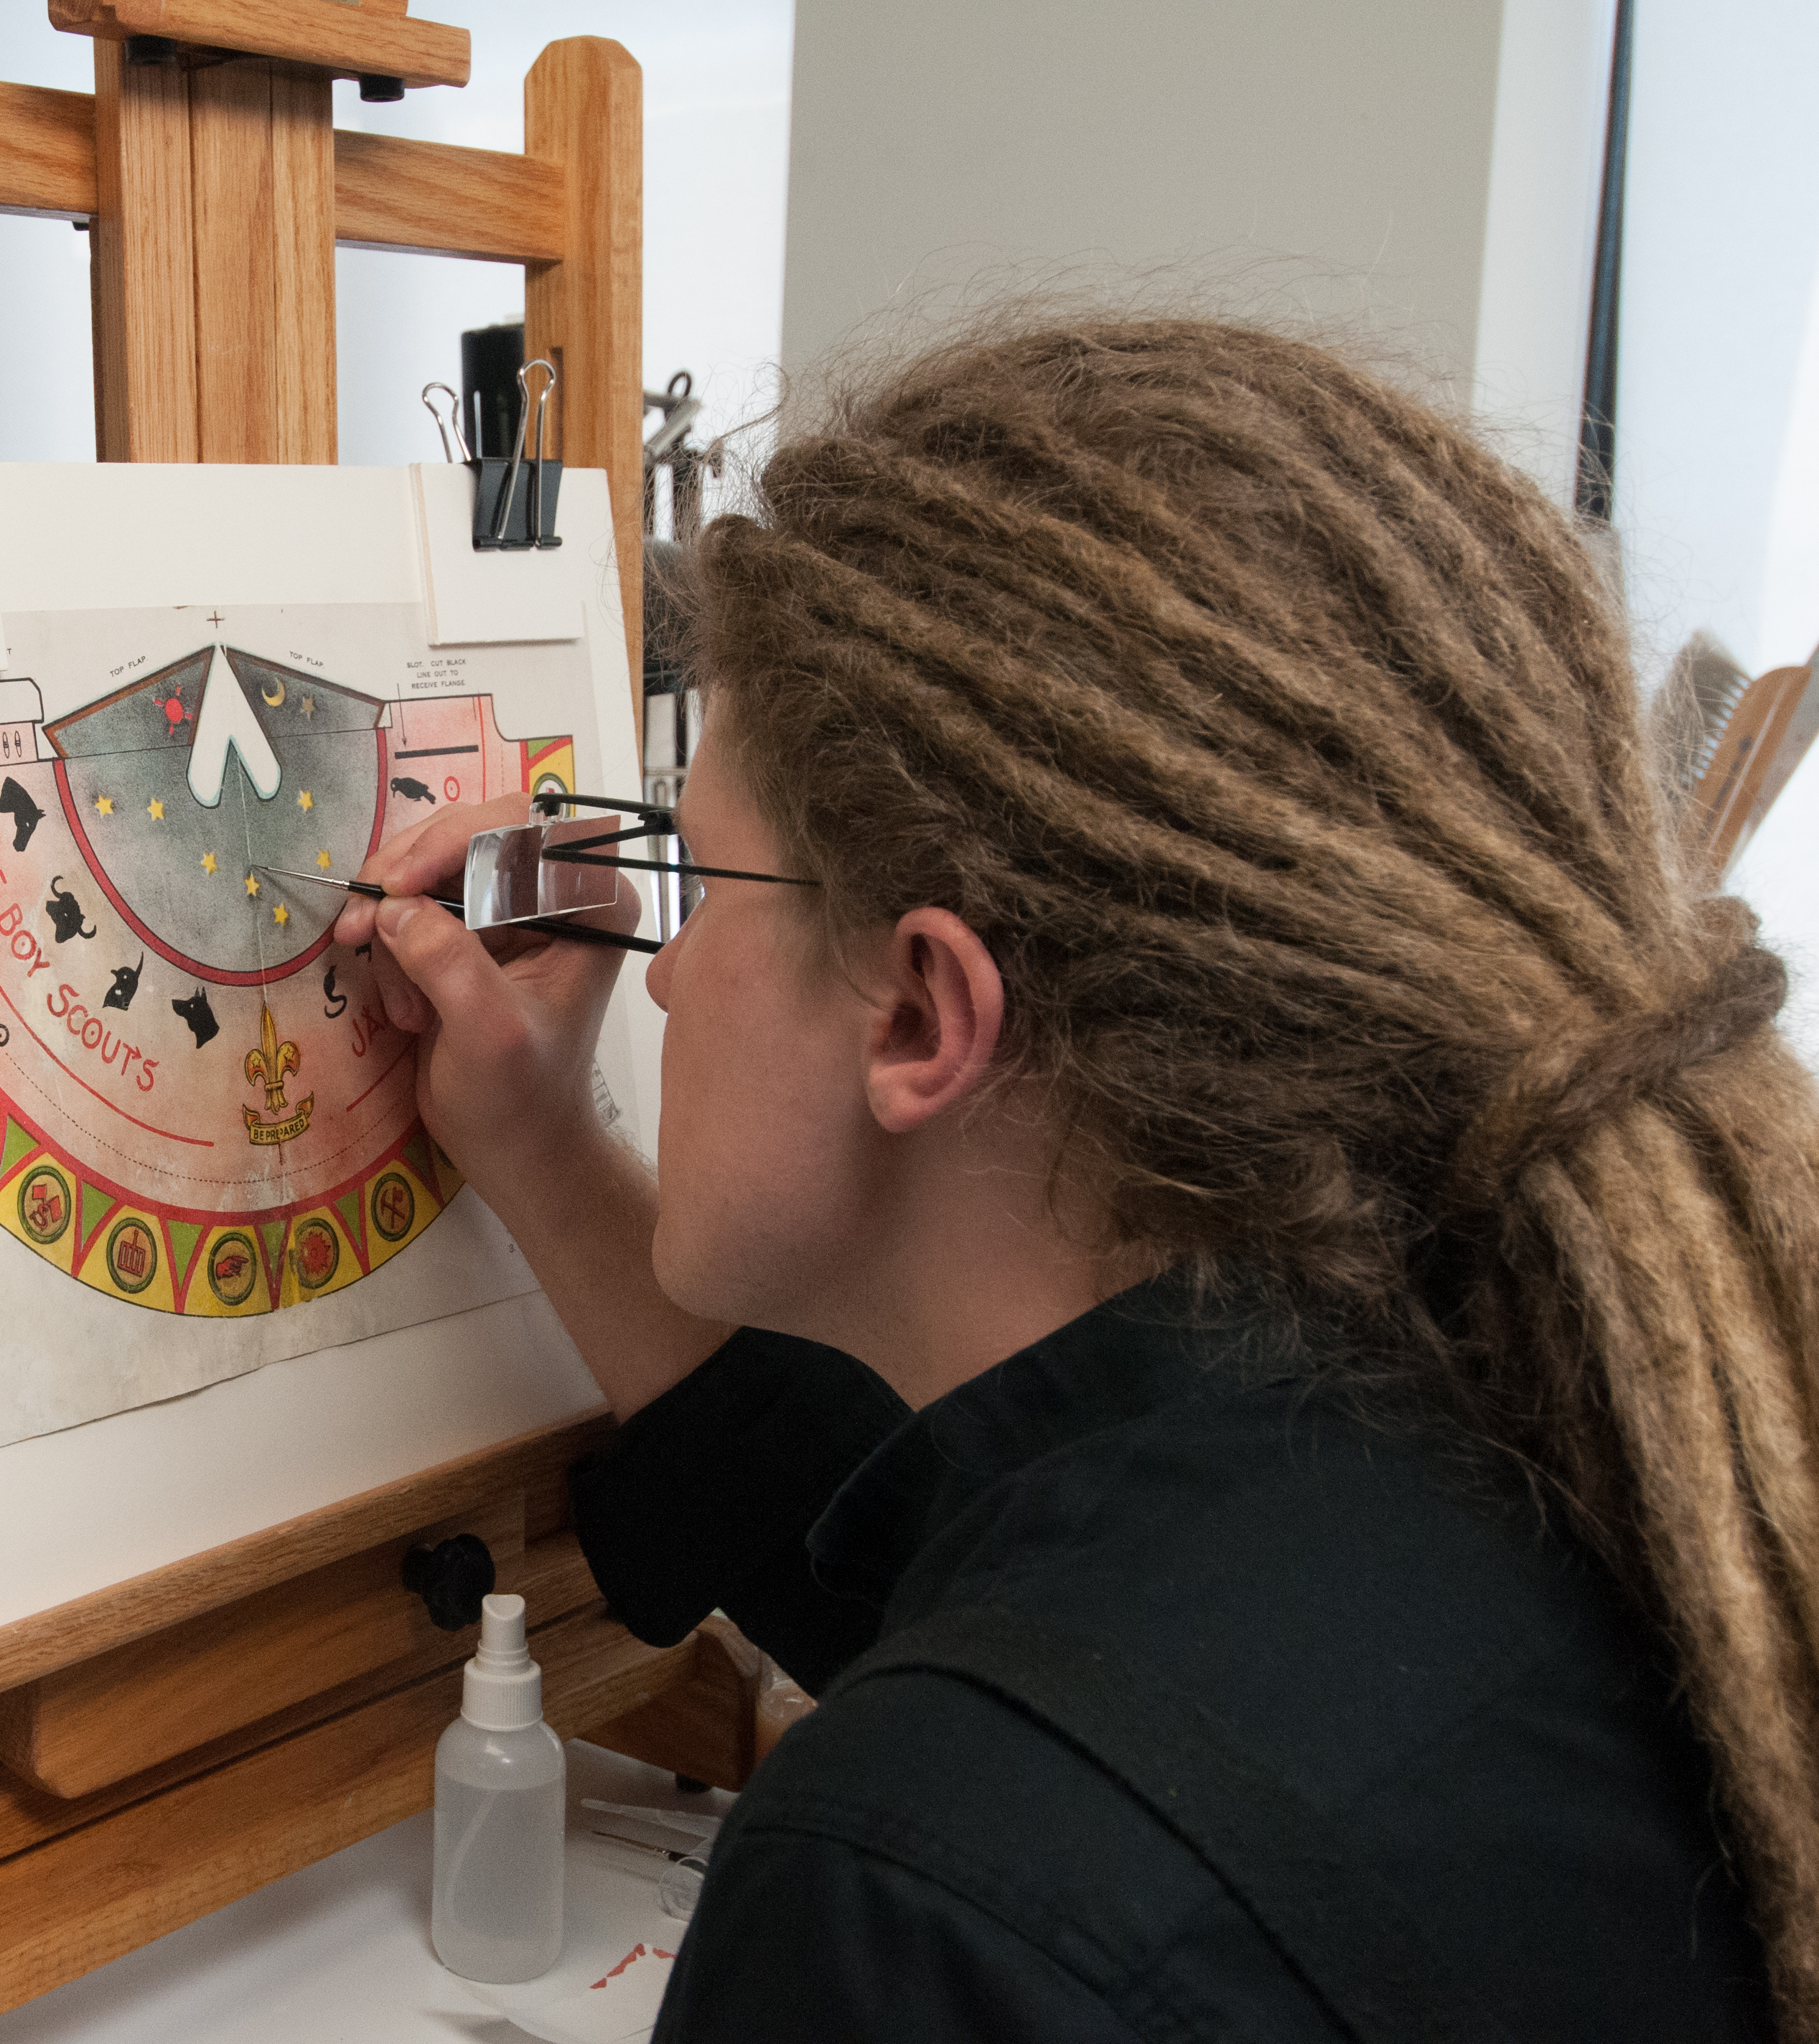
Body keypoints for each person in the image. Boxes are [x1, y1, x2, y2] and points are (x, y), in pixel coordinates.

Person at [334, 319, 1810, 2041]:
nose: (658, 965)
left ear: (919, 1006)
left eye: (705, 872)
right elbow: (948, 1559)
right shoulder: (1547, 1415)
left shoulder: (925, 1892)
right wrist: (536, 1141)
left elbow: (1021, 1770)